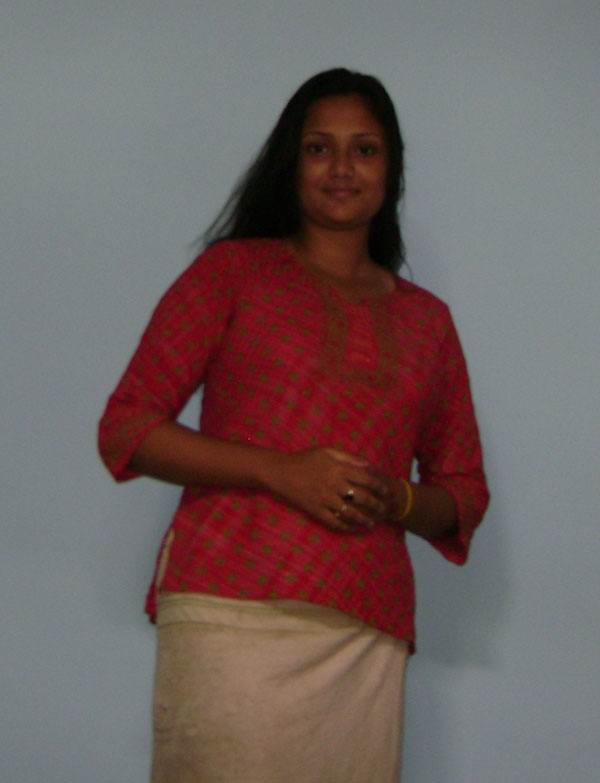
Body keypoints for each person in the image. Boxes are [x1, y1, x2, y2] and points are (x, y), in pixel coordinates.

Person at [98, 67, 489, 783]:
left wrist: (397, 498)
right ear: (292, 162)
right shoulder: (231, 273)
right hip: (230, 609)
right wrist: (279, 470)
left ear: (391, 168)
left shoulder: (426, 322)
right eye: (318, 148)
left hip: (364, 629)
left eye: (364, 149)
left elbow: (462, 491)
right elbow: (128, 427)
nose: (341, 167)